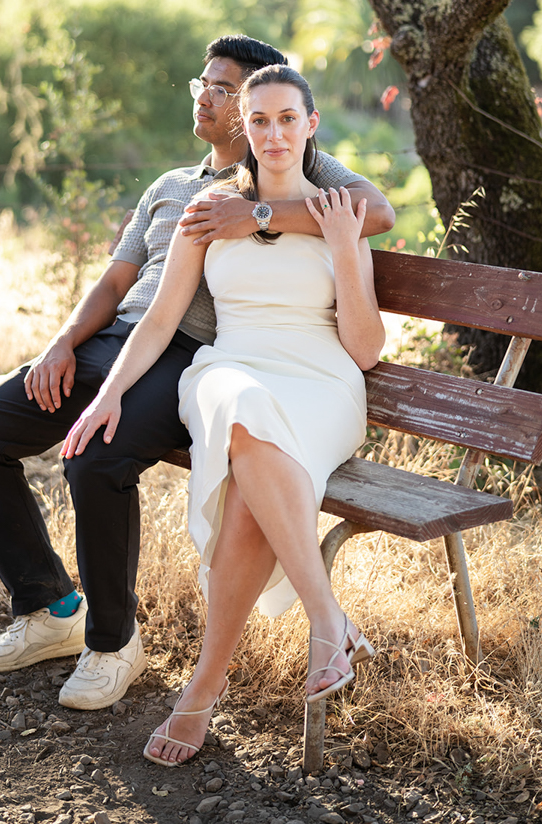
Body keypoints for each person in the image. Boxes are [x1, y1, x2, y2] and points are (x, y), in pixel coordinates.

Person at [0, 36, 394, 712]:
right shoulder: (175, 190)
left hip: (194, 350)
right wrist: (63, 341)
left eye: (225, 89)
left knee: (96, 460)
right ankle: (49, 608)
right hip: (121, 341)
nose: (208, 97)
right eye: (204, 85)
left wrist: (263, 213)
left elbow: (372, 214)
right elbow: (119, 279)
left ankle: (113, 643)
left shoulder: (297, 171)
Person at [62, 64, 386, 767]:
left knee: (247, 490)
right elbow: (155, 323)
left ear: (311, 126)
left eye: (287, 119)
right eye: (260, 120)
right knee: (240, 408)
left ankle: (203, 690)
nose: (273, 134)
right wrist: (111, 391)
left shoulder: (339, 213)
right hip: (231, 366)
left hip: (322, 383)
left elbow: (363, 349)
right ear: (245, 126)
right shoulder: (208, 209)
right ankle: (327, 618)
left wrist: (340, 249)